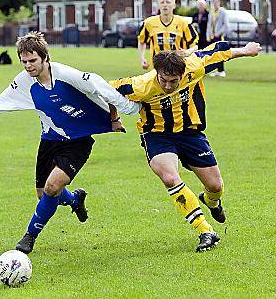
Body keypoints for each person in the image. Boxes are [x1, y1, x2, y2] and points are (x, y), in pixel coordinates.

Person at [0, 31, 140, 254]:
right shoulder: (23, 82)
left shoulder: (67, 75)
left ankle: (29, 237)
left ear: (45, 58)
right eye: (24, 62)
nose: (29, 66)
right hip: (49, 140)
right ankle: (74, 200)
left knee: (52, 187)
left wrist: (126, 112)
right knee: (44, 194)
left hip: (77, 142)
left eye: (33, 61)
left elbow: (101, 87)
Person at [110, 41, 262, 252]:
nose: (169, 86)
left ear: (183, 73)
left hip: (190, 133)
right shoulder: (141, 85)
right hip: (157, 135)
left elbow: (218, 52)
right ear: (157, 72)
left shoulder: (194, 66)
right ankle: (205, 230)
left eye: (174, 81)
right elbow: (107, 90)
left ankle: (212, 202)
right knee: (170, 178)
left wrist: (246, 51)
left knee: (216, 187)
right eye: (164, 80)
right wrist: (114, 118)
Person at [138, 0, 198, 70]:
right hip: (157, 68)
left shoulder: (183, 23)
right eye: (162, 2)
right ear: (158, 6)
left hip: (178, 67)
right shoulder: (149, 23)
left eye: (168, 2)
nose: (165, 5)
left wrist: (187, 52)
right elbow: (142, 41)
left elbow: (195, 45)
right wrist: (142, 59)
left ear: (174, 5)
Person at [206, 0, 229, 77]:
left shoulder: (223, 12)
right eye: (214, 3)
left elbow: (225, 24)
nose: (215, 5)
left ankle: (222, 70)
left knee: (220, 53)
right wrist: (208, 35)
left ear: (219, 3)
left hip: (220, 36)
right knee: (215, 53)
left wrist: (219, 33)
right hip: (213, 36)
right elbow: (209, 24)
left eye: (216, 3)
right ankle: (218, 70)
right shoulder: (211, 12)